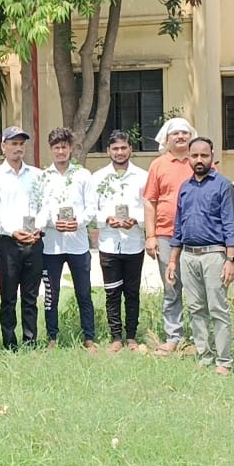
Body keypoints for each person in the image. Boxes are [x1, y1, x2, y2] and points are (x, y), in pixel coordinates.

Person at [165, 138, 234, 374]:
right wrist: (173, 260)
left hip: (214, 255)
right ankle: (204, 355)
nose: (199, 160)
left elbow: (230, 224)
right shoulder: (185, 187)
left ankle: (224, 360)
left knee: (218, 309)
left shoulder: (223, 185)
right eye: (194, 155)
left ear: (212, 156)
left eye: (204, 155)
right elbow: (178, 226)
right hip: (188, 255)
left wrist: (231, 260)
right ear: (188, 157)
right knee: (196, 308)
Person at [87, 130, 149, 353]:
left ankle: (131, 336)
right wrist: (107, 219)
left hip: (134, 243)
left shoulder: (143, 176)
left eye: (124, 148)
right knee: (112, 292)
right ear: (108, 151)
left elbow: (149, 208)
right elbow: (91, 210)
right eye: (115, 148)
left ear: (131, 149)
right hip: (109, 244)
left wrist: (137, 221)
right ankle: (115, 336)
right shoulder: (98, 178)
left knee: (132, 292)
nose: (120, 152)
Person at [0, 125, 46, 350]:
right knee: (8, 296)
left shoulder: (37, 175)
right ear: (3, 146)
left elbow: (44, 205)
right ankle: (9, 342)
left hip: (34, 240)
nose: (18, 148)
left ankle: (30, 341)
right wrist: (13, 230)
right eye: (13, 143)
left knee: (30, 296)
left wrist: (37, 227)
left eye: (21, 144)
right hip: (9, 243)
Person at [143, 117, 196, 356]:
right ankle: (174, 336)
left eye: (185, 133)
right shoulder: (158, 165)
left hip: (198, 236)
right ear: (167, 138)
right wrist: (150, 235)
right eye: (176, 134)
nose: (181, 137)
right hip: (165, 235)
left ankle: (198, 338)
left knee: (197, 288)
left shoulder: (199, 160)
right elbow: (150, 201)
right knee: (172, 285)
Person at [39, 128, 96, 349]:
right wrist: (53, 222)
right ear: (51, 149)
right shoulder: (43, 177)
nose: (60, 151)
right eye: (56, 147)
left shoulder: (83, 175)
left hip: (77, 243)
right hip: (51, 245)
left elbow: (91, 207)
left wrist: (78, 221)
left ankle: (89, 337)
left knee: (83, 291)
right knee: (51, 294)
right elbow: (40, 209)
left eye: (64, 147)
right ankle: (52, 337)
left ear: (71, 148)